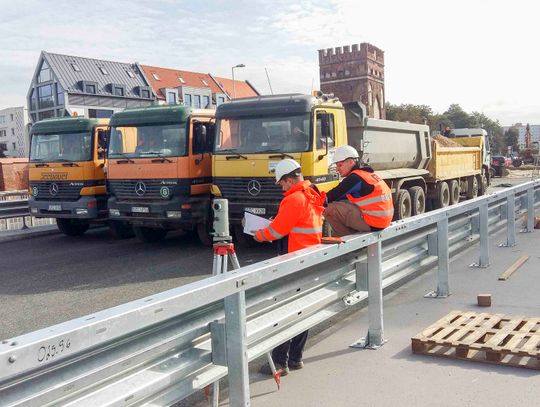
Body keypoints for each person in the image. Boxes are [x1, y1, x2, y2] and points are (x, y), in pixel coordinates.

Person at [254, 159, 325, 376]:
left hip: (293, 260)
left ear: (288, 179)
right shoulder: (312, 194)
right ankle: (295, 359)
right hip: (310, 258)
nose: (281, 187)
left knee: (285, 311)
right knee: (303, 310)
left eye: (281, 183)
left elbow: (276, 232)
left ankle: (279, 363)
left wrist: (257, 234)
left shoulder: (294, 199)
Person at [324, 145, 393, 236]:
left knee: (329, 208)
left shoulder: (355, 178)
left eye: (340, 165)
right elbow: (341, 197)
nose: (337, 169)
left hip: (373, 222)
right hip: (383, 220)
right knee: (342, 202)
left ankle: (347, 239)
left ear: (350, 162)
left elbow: (331, 196)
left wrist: (313, 198)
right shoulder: (366, 174)